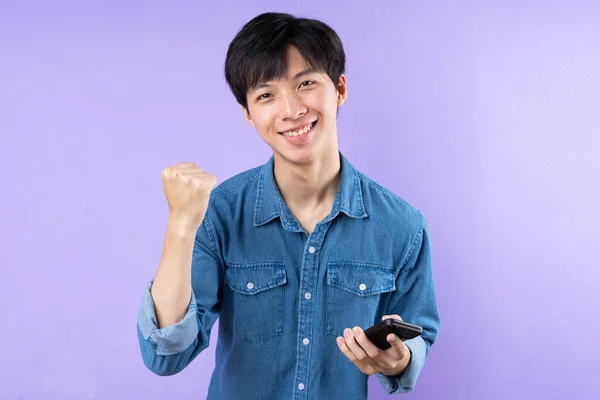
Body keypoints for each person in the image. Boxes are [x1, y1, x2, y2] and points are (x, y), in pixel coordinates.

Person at [137, 11, 440, 399]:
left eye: (306, 83)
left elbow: (418, 336)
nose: (292, 110)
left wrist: (398, 360)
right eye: (266, 95)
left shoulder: (403, 226)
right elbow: (165, 355)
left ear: (340, 89)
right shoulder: (219, 214)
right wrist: (181, 225)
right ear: (249, 114)